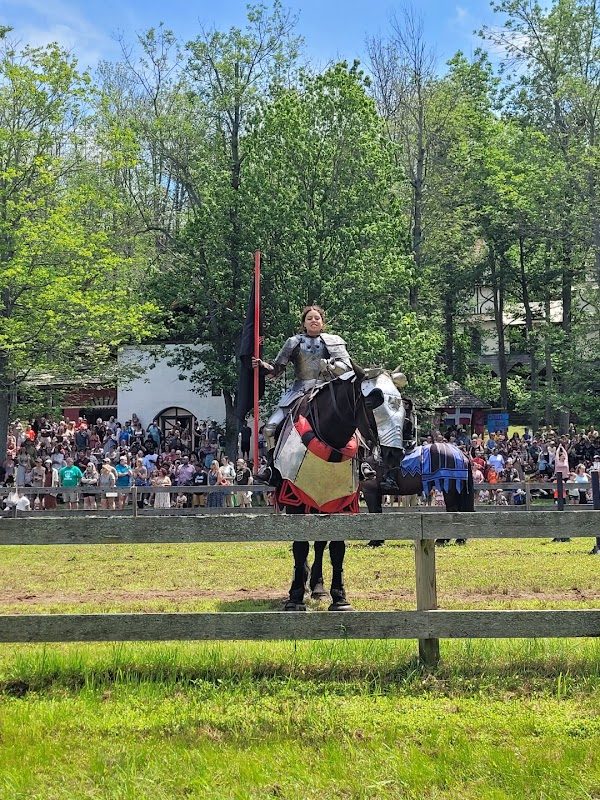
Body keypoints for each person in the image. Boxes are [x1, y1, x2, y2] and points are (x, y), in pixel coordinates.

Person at [252, 305, 355, 450]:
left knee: (355, 421)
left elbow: (348, 368)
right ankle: (271, 468)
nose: (314, 320)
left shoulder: (334, 341)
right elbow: (277, 369)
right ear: (304, 323)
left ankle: (364, 462)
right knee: (270, 429)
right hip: (299, 390)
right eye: (309, 318)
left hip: (328, 389)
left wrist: (331, 366)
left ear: (322, 322)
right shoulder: (294, 342)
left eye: (317, 318)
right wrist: (263, 366)